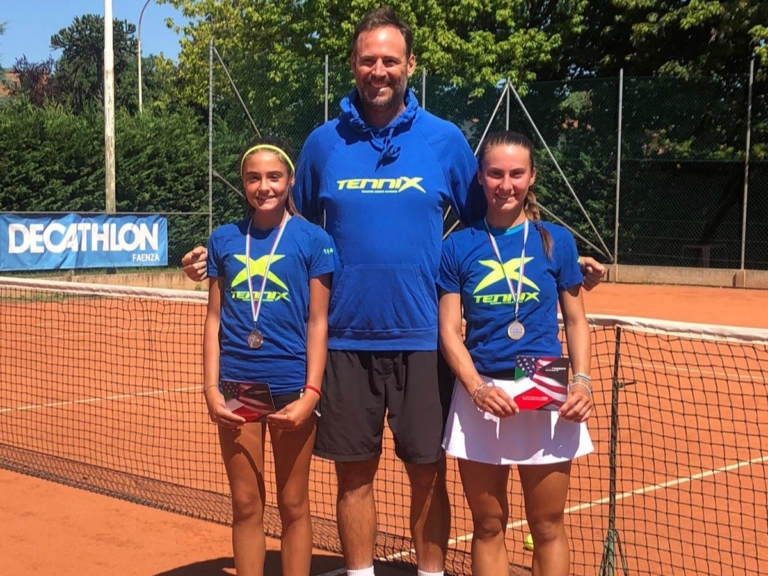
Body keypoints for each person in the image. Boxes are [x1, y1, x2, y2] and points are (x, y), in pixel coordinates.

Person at [183, 7, 605, 576]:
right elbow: (287, 226)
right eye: (368, 60)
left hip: (424, 341)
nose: (378, 70)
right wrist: (220, 256)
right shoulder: (323, 144)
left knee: (427, 474)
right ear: (353, 65)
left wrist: (557, 257)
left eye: (389, 60)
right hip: (343, 343)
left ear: (409, 64)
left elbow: (495, 222)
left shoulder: (444, 140)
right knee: (353, 476)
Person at [438, 131, 594, 576]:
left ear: (531, 177)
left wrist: (582, 381)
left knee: (546, 524)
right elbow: (448, 331)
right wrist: (476, 388)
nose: (506, 185)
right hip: (481, 390)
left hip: (544, 381)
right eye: (495, 174)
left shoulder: (556, 241)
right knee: (488, 525)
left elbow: (576, 320)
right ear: (480, 178)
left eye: (516, 174)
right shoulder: (457, 246)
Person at [202, 137, 334, 576]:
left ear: (290, 180)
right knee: (245, 503)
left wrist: (312, 392)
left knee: (293, 503)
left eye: (274, 177)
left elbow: (318, 322)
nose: (264, 186)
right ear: (243, 183)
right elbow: (214, 318)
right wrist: (210, 389)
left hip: (292, 385)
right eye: (253, 178)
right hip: (240, 385)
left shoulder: (313, 239)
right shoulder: (224, 238)